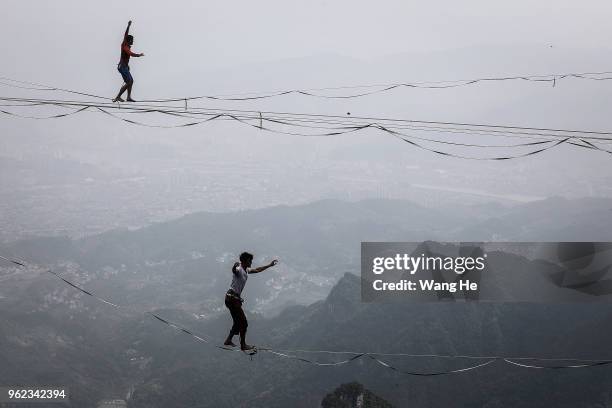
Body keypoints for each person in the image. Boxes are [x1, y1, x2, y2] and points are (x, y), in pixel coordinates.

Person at [224, 252, 278, 352]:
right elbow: (235, 270)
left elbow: (257, 270)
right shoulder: (239, 269)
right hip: (232, 299)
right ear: (244, 261)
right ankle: (243, 345)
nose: (251, 262)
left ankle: (228, 340)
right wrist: (234, 266)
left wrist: (269, 265)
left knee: (237, 321)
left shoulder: (246, 270)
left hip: (232, 299)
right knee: (244, 323)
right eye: (250, 260)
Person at [113, 21, 144, 102]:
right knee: (129, 81)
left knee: (130, 81)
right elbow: (130, 53)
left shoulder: (125, 42)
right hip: (122, 67)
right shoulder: (125, 46)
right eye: (132, 40)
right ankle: (118, 97)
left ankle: (128, 97)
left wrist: (128, 26)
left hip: (124, 67)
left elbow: (126, 34)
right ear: (129, 40)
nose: (133, 41)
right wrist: (139, 55)